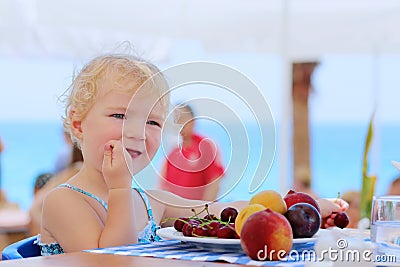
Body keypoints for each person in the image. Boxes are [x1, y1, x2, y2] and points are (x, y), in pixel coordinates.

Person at [38, 53, 347, 255]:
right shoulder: (63, 201)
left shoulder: (151, 201)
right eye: (120, 116)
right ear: (78, 124)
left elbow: (221, 210)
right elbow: (111, 260)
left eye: (152, 122)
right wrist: (119, 188)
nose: (136, 132)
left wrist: (301, 206)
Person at [159, 104, 225, 201]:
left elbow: (214, 182)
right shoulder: (172, 152)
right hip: (174, 213)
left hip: (197, 212)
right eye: (175, 120)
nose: (178, 124)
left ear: (193, 121)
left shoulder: (205, 145)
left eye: (181, 119)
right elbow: (163, 186)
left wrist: (203, 211)